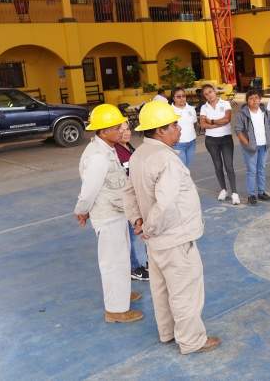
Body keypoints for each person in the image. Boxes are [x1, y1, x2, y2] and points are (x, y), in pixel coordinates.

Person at [124, 101, 220, 354]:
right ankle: (191, 340)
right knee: (185, 291)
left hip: (155, 242)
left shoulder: (138, 155)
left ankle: (167, 333)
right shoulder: (166, 160)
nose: (178, 129)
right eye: (173, 125)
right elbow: (164, 204)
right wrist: (149, 227)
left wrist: (137, 221)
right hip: (174, 238)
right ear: (159, 131)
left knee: (161, 289)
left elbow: (128, 192)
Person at [73, 104, 143, 323]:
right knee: (113, 261)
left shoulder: (107, 148)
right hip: (108, 215)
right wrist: (82, 211)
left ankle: (120, 294)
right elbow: (89, 191)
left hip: (116, 212)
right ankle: (115, 310)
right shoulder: (98, 157)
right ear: (103, 131)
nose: (121, 130)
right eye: (115, 127)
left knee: (121, 258)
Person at [114, 121, 149, 282]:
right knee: (130, 237)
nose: (126, 133)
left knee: (141, 233)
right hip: (127, 201)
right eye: (121, 130)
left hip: (138, 197)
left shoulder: (130, 147)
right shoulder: (115, 152)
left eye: (127, 129)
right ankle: (134, 268)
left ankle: (149, 263)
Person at [199, 84, 239, 205]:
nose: (209, 95)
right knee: (218, 166)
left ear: (215, 91)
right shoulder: (204, 107)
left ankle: (234, 193)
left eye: (210, 92)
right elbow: (202, 125)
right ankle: (223, 190)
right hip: (211, 141)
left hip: (226, 139)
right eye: (206, 94)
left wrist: (210, 121)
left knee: (229, 166)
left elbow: (227, 119)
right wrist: (217, 123)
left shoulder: (225, 103)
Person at [235, 88, 270, 205]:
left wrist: (269, 138)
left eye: (256, 98)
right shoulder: (242, 114)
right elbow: (238, 131)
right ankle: (251, 195)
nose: (254, 101)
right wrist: (247, 144)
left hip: (264, 146)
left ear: (260, 99)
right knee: (252, 171)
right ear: (247, 101)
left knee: (261, 169)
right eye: (251, 98)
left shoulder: (265, 112)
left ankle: (261, 192)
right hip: (250, 147)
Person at [170, 86, 198, 168]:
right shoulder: (169, 110)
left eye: (183, 96)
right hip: (177, 144)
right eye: (178, 96)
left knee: (187, 167)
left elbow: (194, 123)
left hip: (191, 143)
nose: (182, 98)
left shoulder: (191, 109)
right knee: (182, 168)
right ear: (173, 98)